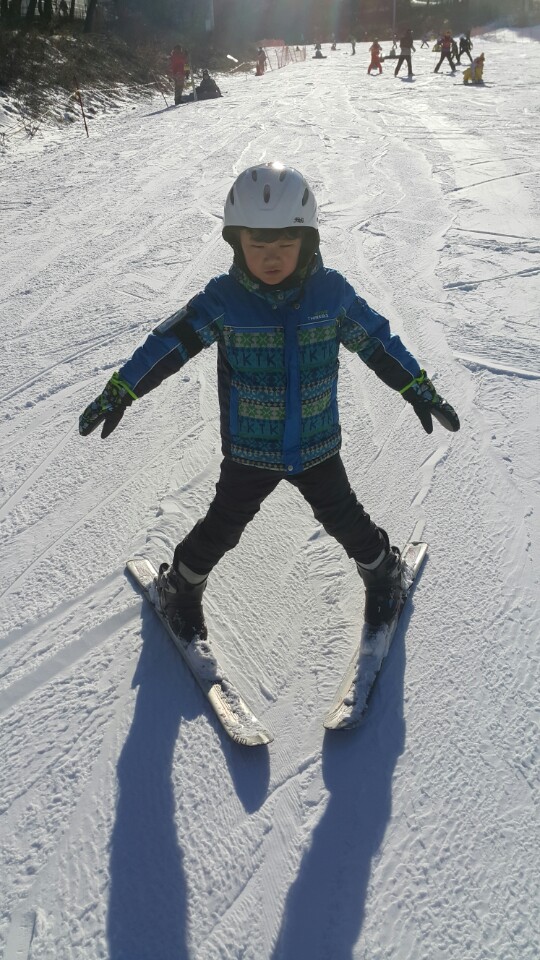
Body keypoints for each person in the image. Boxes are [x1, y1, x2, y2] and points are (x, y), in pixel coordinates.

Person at [79, 163, 460, 641]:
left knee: (346, 519)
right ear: (236, 243)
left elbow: (377, 341)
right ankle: (180, 589)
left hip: (317, 446)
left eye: (285, 244)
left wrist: (415, 385)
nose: (271, 258)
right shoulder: (224, 300)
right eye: (257, 246)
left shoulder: (331, 294)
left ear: (309, 241)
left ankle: (383, 574)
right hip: (249, 451)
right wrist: (124, 387)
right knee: (222, 527)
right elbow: (169, 344)